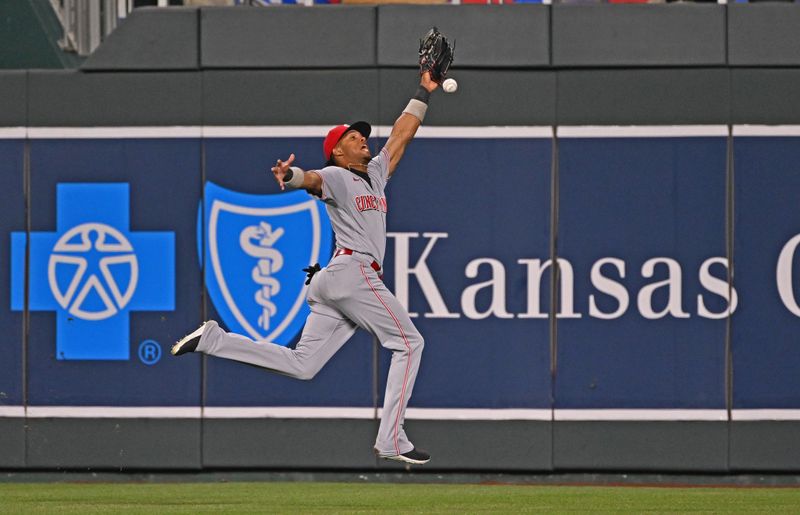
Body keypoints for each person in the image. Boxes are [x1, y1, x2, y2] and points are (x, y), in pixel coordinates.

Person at [171, 71, 441, 465]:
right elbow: (311, 180)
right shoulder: (336, 176)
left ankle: (214, 340)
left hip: (332, 282)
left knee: (303, 366)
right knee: (410, 342)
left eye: (362, 134)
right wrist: (292, 176)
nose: (362, 137)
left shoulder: (376, 174)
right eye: (352, 137)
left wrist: (424, 90)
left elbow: (401, 134)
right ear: (338, 152)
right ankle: (391, 439)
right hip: (352, 273)